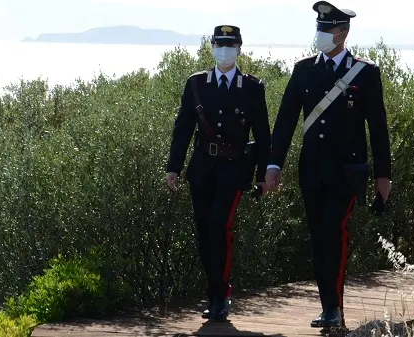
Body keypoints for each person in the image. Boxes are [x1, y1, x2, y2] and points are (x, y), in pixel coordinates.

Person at [265, 1, 392, 328]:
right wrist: (273, 165)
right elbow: (285, 122)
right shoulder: (304, 69)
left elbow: (377, 127)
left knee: (333, 233)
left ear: (343, 32)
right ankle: (330, 306)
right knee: (319, 237)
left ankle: (333, 308)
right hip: (312, 170)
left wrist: (383, 176)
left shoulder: (365, 72)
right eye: (319, 28)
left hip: (346, 172)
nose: (321, 34)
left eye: (327, 29)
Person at [165, 24, 271, 321]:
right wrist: (173, 167)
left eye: (230, 45)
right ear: (212, 47)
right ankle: (214, 293)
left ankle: (221, 296)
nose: (224, 50)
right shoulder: (197, 84)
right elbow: (183, 127)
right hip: (201, 171)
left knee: (218, 227)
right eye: (219, 44)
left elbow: (263, 134)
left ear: (239, 49)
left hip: (234, 171)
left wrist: (263, 174)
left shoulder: (252, 87)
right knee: (203, 232)